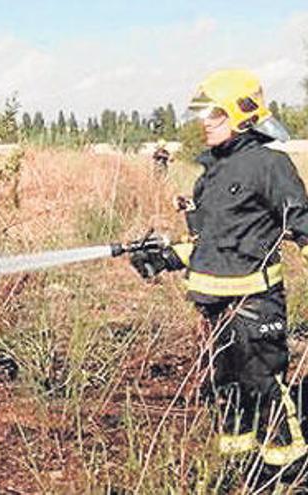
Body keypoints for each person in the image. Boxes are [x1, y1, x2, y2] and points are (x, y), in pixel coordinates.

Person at [128, 69, 308, 467]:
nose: (205, 120)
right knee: (225, 387)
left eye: (216, 113)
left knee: (263, 387)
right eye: (204, 113)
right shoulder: (212, 173)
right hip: (214, 306)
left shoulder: (270, 165)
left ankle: (289, 471)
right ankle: (240, 469)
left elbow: (303, 227)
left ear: (243, 114)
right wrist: (166, 257)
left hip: (255, 304)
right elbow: (212, 244)